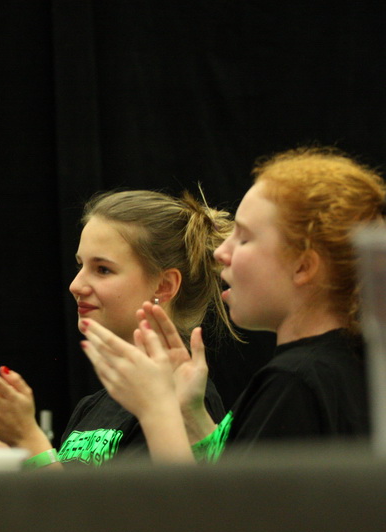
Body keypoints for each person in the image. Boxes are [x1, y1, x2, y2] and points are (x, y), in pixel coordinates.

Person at [81, 147, 384, 461]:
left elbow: (201, 497)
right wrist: (192, 416)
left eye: (244, 238)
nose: (221, 253)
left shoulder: (295, 382)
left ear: (303, 266)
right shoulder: (348, 364)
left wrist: (157, 410)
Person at [0, 189, 236, 467]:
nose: (75, 285)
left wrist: (30, 441)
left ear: (164, 286)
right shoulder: (92, 406)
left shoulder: (185, 402)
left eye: (103, 269)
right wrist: (15, 456)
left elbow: (148, 499)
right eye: (80, 265)